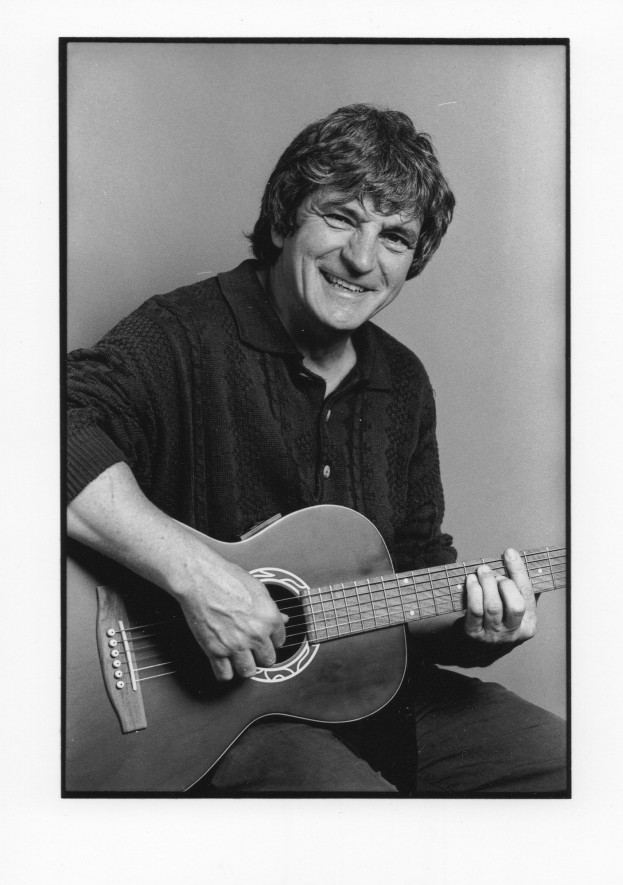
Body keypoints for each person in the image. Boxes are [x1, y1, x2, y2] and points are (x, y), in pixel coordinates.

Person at [67, 104, 566, 793]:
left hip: (372, 699)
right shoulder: (182, 333)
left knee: (573, 764)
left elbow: (409, 575)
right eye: (340, 217)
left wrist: (478, 627)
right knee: (359, 820)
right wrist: (196, 576)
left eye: (395, 237)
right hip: (207, 720)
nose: (362, 258)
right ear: (284, 220)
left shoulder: (403, 383)